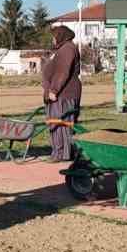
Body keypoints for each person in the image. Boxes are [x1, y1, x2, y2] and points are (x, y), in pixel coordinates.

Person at [42, 25, 82, 162]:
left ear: (61, 36)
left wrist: (53, 90)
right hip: (60, 93)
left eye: (54, 37)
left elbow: (62, 72)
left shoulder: (67, 49)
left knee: (61, 123)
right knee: (56, 122)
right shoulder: (62, 49)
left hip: (64, 94)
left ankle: (62, 153)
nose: (53, 39)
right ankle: (59, 152)